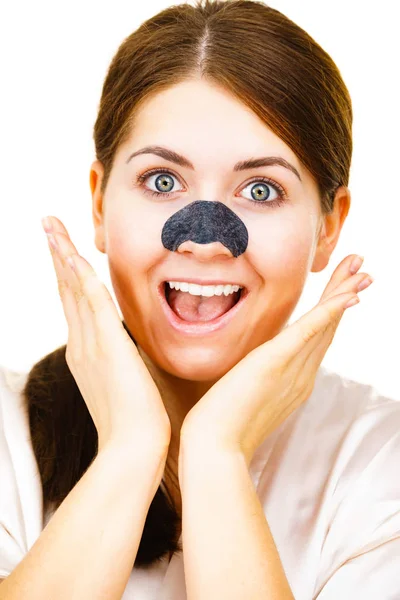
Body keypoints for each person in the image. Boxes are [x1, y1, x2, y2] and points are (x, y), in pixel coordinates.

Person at [1, 0, 399, 598]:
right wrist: (132, 449)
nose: (205, 238)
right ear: (100, 203)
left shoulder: (379, 465)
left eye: (261, 189)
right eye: (162, 181)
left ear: (329, 226)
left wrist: (215, 456)